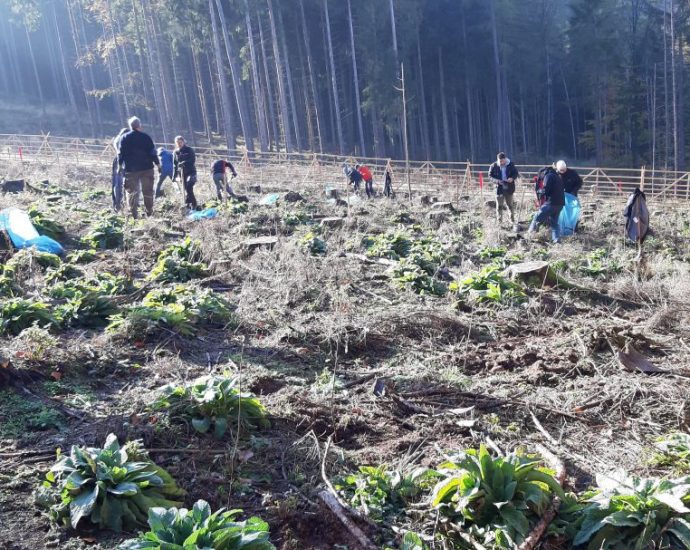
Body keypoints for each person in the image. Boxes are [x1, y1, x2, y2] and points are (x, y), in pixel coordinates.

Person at [117, 117, 160, 219]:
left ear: (130, 126)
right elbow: (153, 153)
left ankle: (134, 215)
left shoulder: (124, 138)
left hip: (131, 170)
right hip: (147, 168)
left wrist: (119, 166)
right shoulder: (146, 137)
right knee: (148, 191)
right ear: (139, 125)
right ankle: (149, 212)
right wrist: (158, 165)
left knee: (132, 192)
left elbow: (120, 153)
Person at [528, 164, 565, 243]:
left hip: (551, 203)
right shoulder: (558, 177)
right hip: (560, 204)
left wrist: (539, 191)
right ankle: (556, 240)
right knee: (554, 224)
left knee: (536, 217)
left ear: (542, 173)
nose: (540, 177)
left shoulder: (548, 176)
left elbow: (546, 189)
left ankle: (529, 236)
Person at [488, 152, 519, 224]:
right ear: (497, 160)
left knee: (510, 205)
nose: (501, 162)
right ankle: (499, 222)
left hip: (509, 187)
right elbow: (490, 176)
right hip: (499, 188)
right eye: (499, 161)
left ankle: (512, 220)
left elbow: (516, 173)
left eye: (502, 161)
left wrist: (512, 178)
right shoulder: (493, 166)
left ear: (505, 159)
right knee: (499, 206)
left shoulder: (511, 164)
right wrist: (497, 181)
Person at [173, 136, 198, 211]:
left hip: (191, 172)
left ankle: (194, 204)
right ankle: (188, 204)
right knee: (186, 189)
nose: (179, 144)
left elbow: (192, 160)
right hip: (182, 173)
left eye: (180, 142)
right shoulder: (176, 152)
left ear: (184, 142)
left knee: (189, 186)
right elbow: (175, 164)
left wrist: (184, 163)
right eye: (177, 143)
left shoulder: (189, 150)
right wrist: (174, 176)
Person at [111, 127, 128, 211]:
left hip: (117, 161)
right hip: (124, 162)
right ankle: (123, 203)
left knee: (117, 183)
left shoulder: (117, 139)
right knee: (124, 184)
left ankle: (117, 203)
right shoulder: (125, 140)